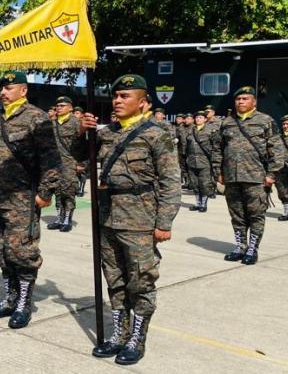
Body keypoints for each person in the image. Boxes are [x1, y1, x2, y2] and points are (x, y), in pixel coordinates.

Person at [80, 74, 180, 365]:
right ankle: (119, 333)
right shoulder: (107, 132)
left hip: (140, 218)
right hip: (107, 215)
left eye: (125, 96)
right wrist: (81, 131)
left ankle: (137, 337)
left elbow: (171, 181)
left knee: (141, 279)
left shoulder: (157, 133)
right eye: (116, 96)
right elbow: (79, 157)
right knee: (114, 277)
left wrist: (164, 222)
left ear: (143, 102)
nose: (118, 101)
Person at [0, 72, 59, 330]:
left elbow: (51, 160)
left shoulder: (37, 118)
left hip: (22, 198)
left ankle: (24, 303)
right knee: (1, 250)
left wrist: (45, 193)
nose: (3, 92)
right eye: (1, 88)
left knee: (22, 252)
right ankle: (9, 298)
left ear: (23, 90)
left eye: (9, 88)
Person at [212, 86, 284, 265]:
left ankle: (253, 248)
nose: (241, 102)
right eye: (238, 99)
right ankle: (240, 246)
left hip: (256, 178)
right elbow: (217, 149)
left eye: (245, 98)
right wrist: (218, 171)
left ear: (254, 102)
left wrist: (272, 174)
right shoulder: (227, 122)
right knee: (236, 214)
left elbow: (276, 148)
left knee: (256, 215)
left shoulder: (265, 121)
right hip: (232, 178)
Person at [47, 96, 82, 232]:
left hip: (69, 163)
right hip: (55, 164)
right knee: (57, 191)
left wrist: (82, 164)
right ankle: (59, 218)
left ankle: (67, 219)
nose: (59, 108)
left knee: (68, 191)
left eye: (62, 105)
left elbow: (83, 146)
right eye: (58, 106)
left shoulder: (76, 123)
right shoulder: (52, 123)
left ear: (70, 108)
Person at [185, 111, 216, 212]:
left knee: (204, 184)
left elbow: (215, 146)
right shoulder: (190, 130)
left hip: (204, 162)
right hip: (192, 161)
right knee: (194, 184)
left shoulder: (210, 130)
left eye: (200, 117)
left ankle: (204, 204)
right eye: (197, 117)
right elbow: (187, 146)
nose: (198, 119)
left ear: (205, 119)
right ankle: (198, 203)